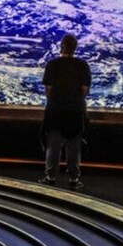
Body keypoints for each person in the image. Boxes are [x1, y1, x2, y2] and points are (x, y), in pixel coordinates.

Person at [39, 34, 91, 190]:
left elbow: (48, 89)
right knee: (74, 146)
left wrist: (55, 100)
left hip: (55, 110)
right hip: (75, 110)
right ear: (75, 48)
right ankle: (74, 179)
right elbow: (85, 89)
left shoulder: (52, 65)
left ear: (61, 47)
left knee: (53, 145)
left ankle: (50, 177)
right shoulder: (83, 65)